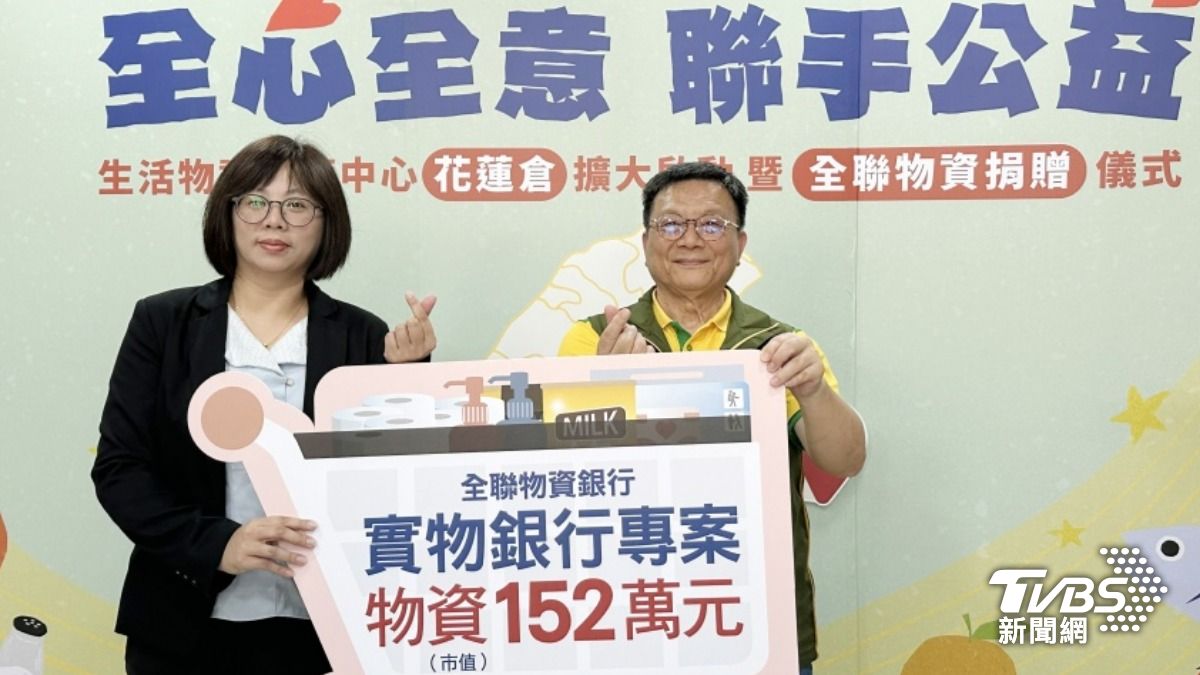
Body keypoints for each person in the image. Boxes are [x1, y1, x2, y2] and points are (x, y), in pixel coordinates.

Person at [92, 135, 437, 674]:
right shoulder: (163, 322)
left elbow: (398, 483)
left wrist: (410, 376)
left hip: (325, 628)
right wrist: (217, 545)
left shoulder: (364, 336)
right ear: (228, 213)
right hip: (181, 623)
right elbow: (121, 469)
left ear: (327, 224)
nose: (274, 220)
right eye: (256, 201)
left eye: (297, 205)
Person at [558, 161, 866, 673]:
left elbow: (845, 459)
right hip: (628, 607)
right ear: (646, 242)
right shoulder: (595, 339)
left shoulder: (778, 347)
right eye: (671, 224)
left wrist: (812, 390)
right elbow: (563, 476)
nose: (690, 239)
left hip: (755, 613)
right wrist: (611, 392)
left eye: (711, 224)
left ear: (740, 244)